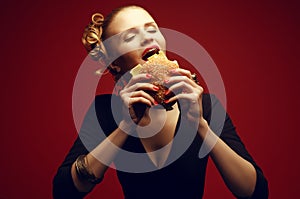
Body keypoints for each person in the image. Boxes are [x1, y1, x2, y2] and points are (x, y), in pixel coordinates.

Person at [52, 5, 268, 199]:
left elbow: (255, 192)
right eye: (129, 37)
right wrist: (126, 126)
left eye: (152, 28)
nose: (147, 38)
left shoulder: (204, 105)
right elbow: (63, 192)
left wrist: (201, 126)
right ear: (114, 62)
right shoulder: (105, 111)